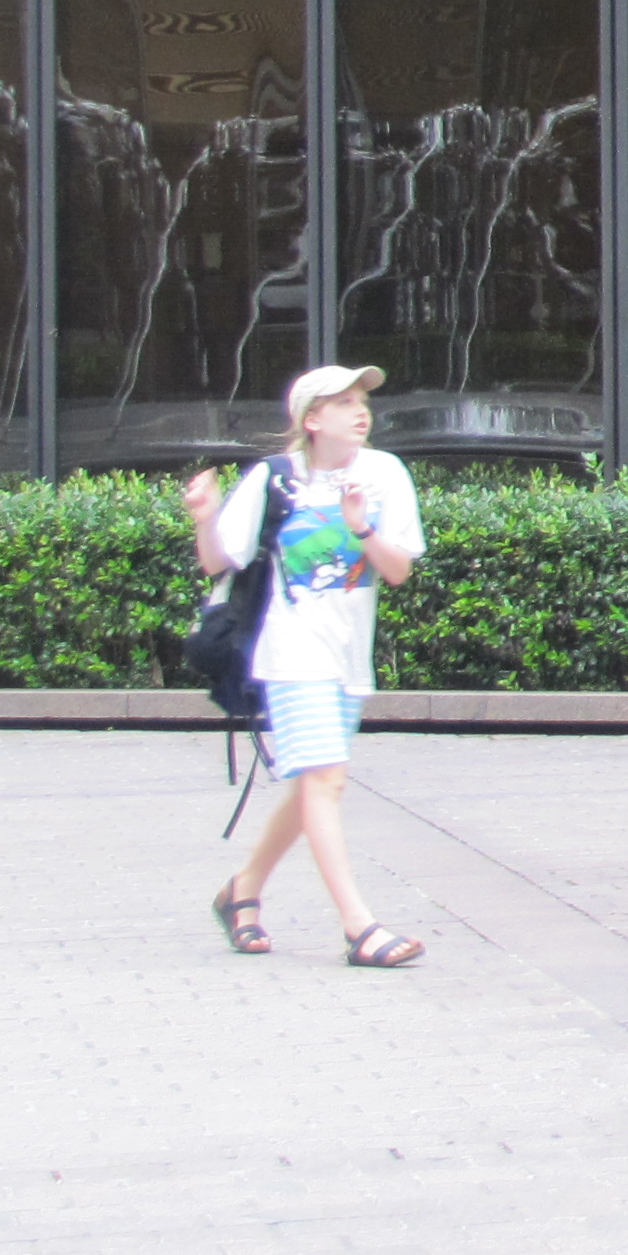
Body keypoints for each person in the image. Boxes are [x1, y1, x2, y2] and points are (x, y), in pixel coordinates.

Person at [179, 365, 430, 968]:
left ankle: (241, 892)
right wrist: (205, 516)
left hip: (348, 655)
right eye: (344, 403)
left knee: (312, 784)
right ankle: (358, 927)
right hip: (288, 652)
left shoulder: (385, 474)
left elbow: (397, 570)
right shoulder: (274, 479)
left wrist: (361, 526)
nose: (361, 411)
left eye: (363, 401)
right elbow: (218, 562)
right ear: (312, 419)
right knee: (325, 781)